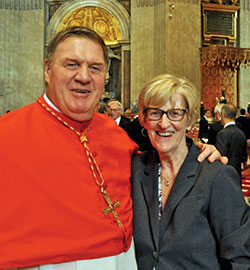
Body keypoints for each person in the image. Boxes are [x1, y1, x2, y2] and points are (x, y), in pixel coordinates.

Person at [0, 26, 224, 270]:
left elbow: (158, 171)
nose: (84, 77)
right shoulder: (6, 133)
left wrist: (197, 154)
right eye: (72, 65)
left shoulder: (114, 133)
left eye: (95, 68)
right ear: (47, 69)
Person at [131, 74, 250, 270]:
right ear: (144, 120)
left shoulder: (216, 176)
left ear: (190, 119)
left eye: (175, 113)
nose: (163, 123)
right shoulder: (135, 168)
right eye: (155, 113)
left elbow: (242, 258)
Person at [216, 103, 248, 178]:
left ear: (223, 114)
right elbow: (244, 158)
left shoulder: (222, 134)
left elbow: (220, 159)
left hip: (225, 176)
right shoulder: (241, 133)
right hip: (237, 174)